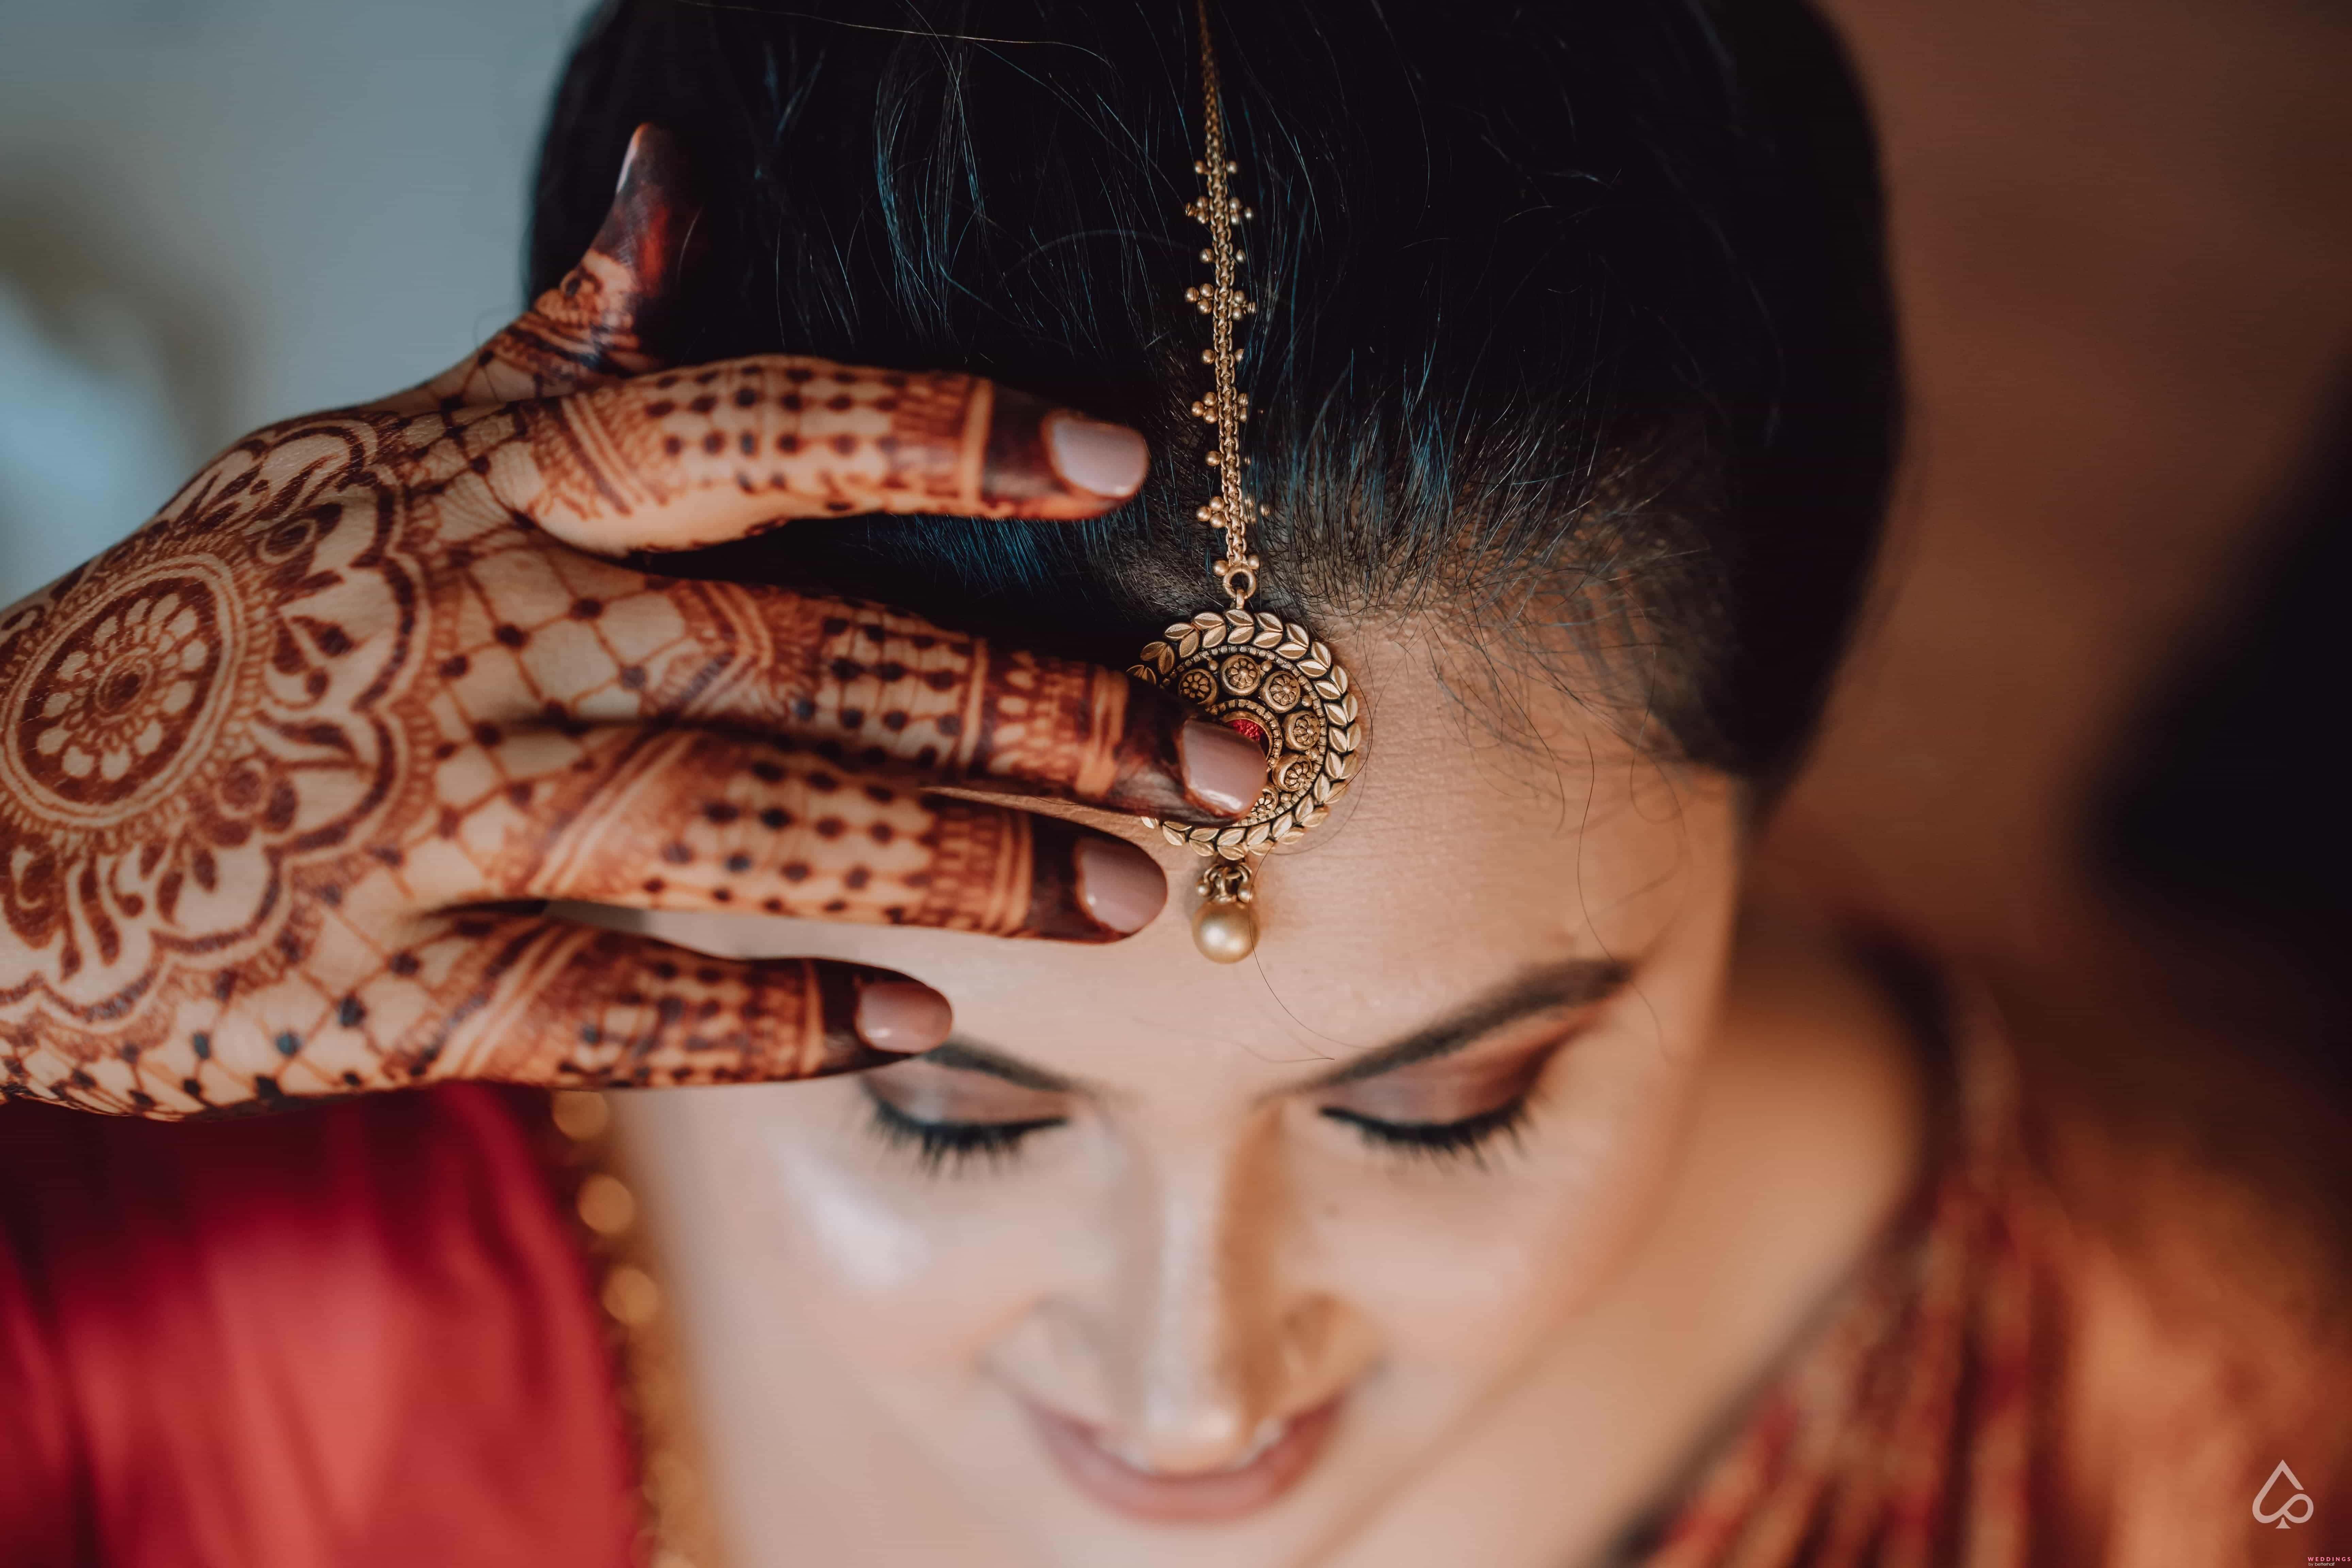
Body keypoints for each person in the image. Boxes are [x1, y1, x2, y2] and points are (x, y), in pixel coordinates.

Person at [3, 3, 2271, 1566]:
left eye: (1438, 1108)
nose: (1194, 1395)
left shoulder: (2144, 1443)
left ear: (1756, 807)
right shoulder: (168, 1250)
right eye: (956, 1114)